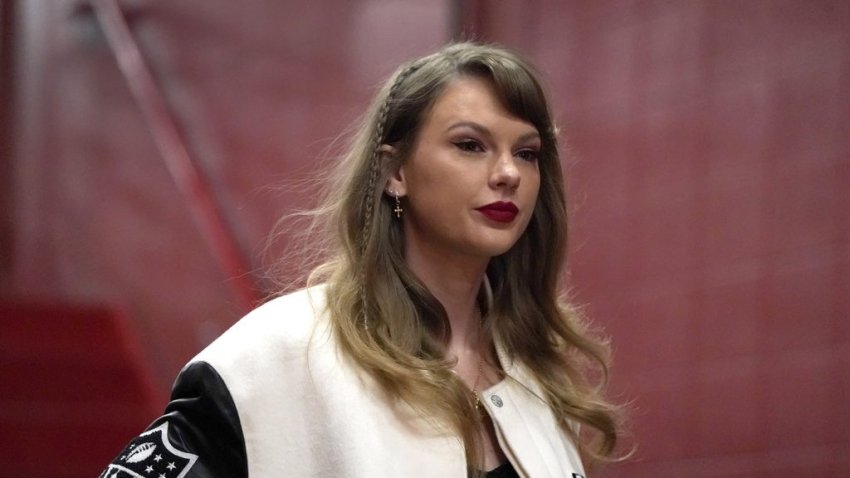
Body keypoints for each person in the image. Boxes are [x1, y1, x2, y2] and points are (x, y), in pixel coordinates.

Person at [100, 42, 624, 478]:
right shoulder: (283, 353)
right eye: (470, 145)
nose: (508, 172)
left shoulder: (538, 373)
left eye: (527, 153)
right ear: (395, 171)